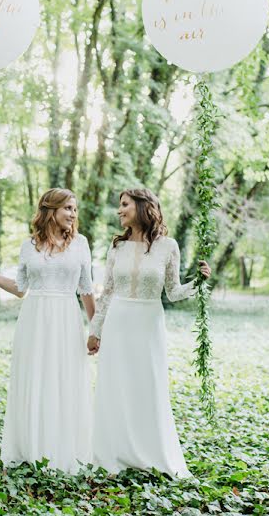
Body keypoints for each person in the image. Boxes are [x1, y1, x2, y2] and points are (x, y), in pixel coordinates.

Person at [88, 188, 210, 477]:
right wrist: (95, 330)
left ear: (143, 207)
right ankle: (114, 451)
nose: (119, 210)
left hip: (148, 322)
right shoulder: (116, 247)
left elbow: (174, 291)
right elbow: (106, 294)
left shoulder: (168, 246)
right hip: (118, 320)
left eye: (125, 205)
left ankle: (148, 452)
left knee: (147, 385)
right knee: (115, 385)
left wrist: (199, 282)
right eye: (119, 205)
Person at [0, 188, 95, 473]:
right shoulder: (29, 245)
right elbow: (20, 288)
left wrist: (96, 330)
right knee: (35, 378)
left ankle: (64, 447)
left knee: (64, 380)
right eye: (68, 208)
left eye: (75, 209)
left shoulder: (81, 243)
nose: (73, 214)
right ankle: (32, 445)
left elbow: (87, 290)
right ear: (50, 210)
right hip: (34, 320)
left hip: (66, 318)